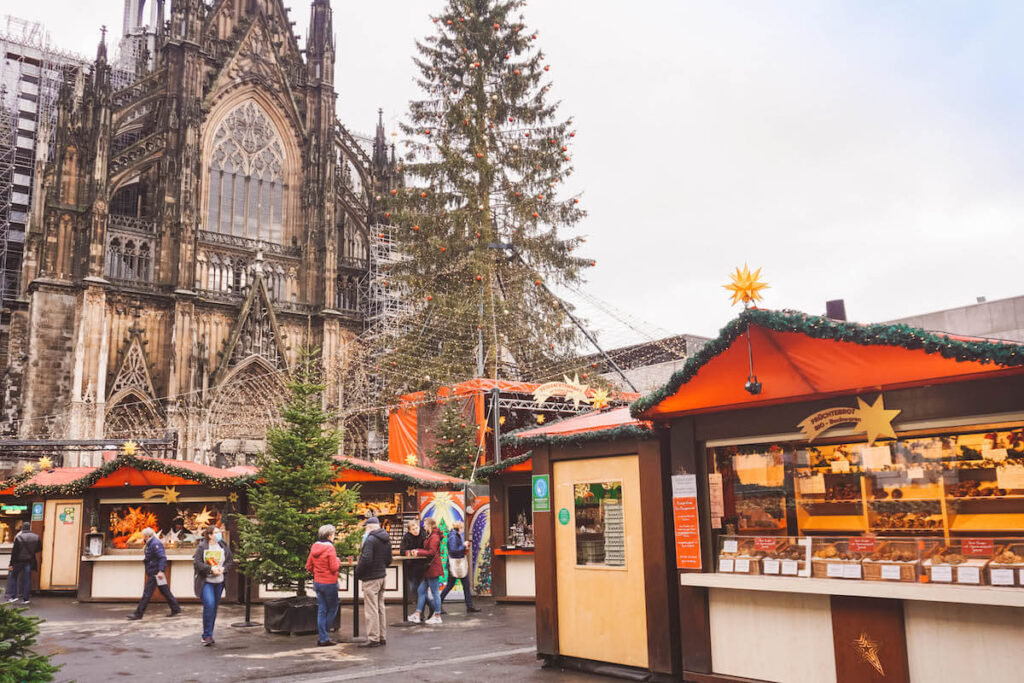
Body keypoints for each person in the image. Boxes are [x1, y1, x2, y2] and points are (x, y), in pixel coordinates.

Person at [354, 516, 392, 647]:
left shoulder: (370, 539)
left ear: (369, 527)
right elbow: (389, 559)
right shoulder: (385, 538)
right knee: (380, 607)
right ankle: (382, 636)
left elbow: (366, 559)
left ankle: (373, 638)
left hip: (371, 577)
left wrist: (357, 572)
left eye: (365, 528)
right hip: (381, 576)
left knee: (371, 609)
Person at [127, 527, 181, 620]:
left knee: (147, 593)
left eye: (144, 536)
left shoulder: (155, 544)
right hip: (156, 571)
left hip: (155, 572)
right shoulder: (152, 543)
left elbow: (162, 558)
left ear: (147, 536)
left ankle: (138, 614)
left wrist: (160, 571)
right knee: (165, 591)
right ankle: (175, 608)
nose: (143, 537)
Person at [193, 525, 232, 646]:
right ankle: (206, 636)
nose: (219, 534)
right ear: (210, 535)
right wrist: (210, 569)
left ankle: (209, 633)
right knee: (209, 605)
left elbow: (229, 561)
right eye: (216, 532)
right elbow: (197, 563)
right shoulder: (202, 547)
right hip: (207, 582)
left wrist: (223, 569)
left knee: (214, 608)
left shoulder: (223, 546)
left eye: (219, 532)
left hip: (219, 582)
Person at [306, 524, 341, 647]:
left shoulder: (314, 547)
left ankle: (323, 637)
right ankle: (324, 637)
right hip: (330, 583)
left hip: (318, 582)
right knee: (333, 608)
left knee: (322, 610)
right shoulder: (330, 548)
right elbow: (334, 567)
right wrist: (338, 561)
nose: (334, 536)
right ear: (330, 535)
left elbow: (308, 566)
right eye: (333, 534)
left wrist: (317, 573)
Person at [439, 521, 480, 614]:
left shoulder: (453, 535)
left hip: (456, 565)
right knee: (452, 585)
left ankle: (469, 606)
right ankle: (437, 604)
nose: (462, 530)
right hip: (456, 565)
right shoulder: (454, 537)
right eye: (462, 528)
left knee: (463, 585)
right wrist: (463, 545)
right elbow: (454, 550)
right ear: (459, 528)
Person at [408, 517, 443, 625]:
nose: (424, 526)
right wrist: (419, 551)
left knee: (435, 592)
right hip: (429, 569)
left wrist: (418, 552)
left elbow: (431, 552)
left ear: (429, 525)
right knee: (421, 591)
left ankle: (437, 616)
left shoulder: (434, 537)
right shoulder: (432, 536)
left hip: (432, 568)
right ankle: (418, 615)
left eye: (425, 524)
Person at [4, 522, 39, 605]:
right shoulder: (36, 537)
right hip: (29, 561)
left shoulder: (19, 537)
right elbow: (39, 548)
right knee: (27, 579)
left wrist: (11, 564)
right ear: (29, 528)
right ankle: (26, 598)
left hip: (18, 561)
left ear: (22, 528)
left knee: (13, 577)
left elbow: (14, 552)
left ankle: (13, 596)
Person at [399, 519, 428, 617]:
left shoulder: (424, 535)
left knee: (421, 590)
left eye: (416, 528)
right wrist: (410, 552)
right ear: (409, 530)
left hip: (423, 566)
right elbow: (402, 550)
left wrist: (419, 551)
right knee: (414, 588)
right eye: (413, 529)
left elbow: (427, 549)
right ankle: (431, 605)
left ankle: (422, 613)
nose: (416, 530)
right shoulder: (406, 537)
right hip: (411, 567)